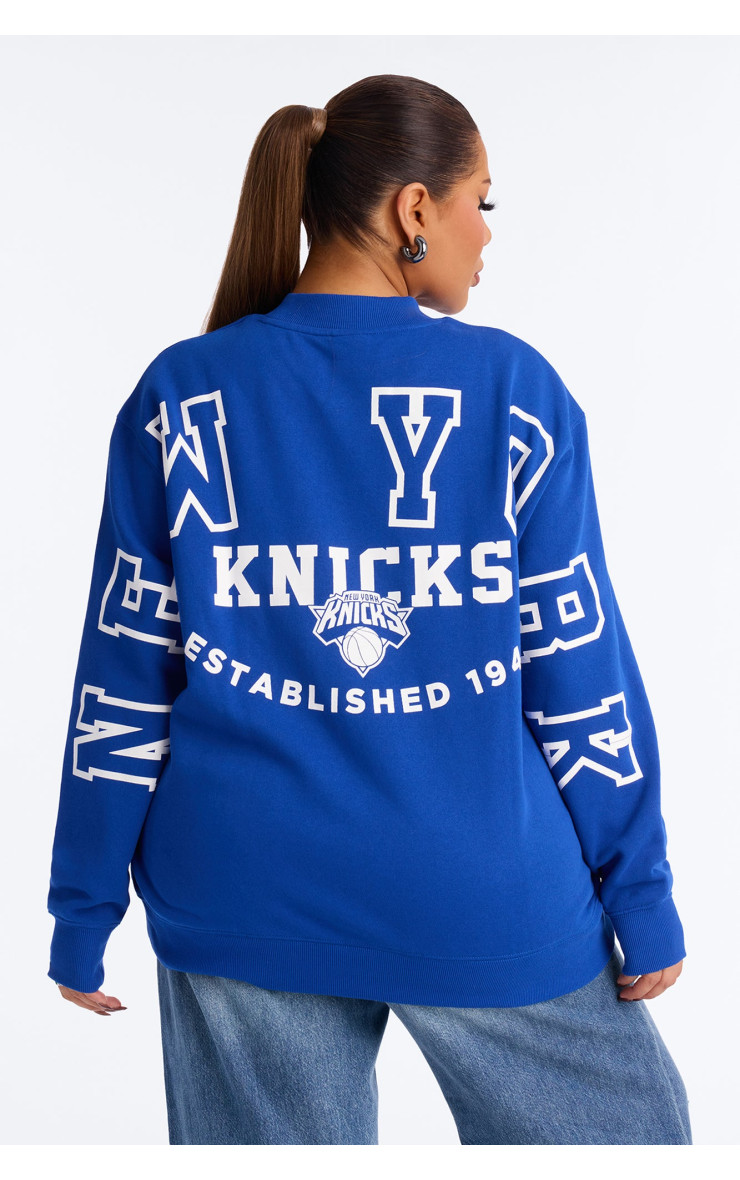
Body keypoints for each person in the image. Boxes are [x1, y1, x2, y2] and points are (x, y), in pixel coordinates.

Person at [46, 74, 692, 1146]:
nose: (488, 234)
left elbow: (122, 675)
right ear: (413, 208)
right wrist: (642, 893)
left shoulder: (183, 394)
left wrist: (83, 904)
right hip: (479, 889)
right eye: (481, 201)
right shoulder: (513, 393)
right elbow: (578, 670)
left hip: (239, 884)